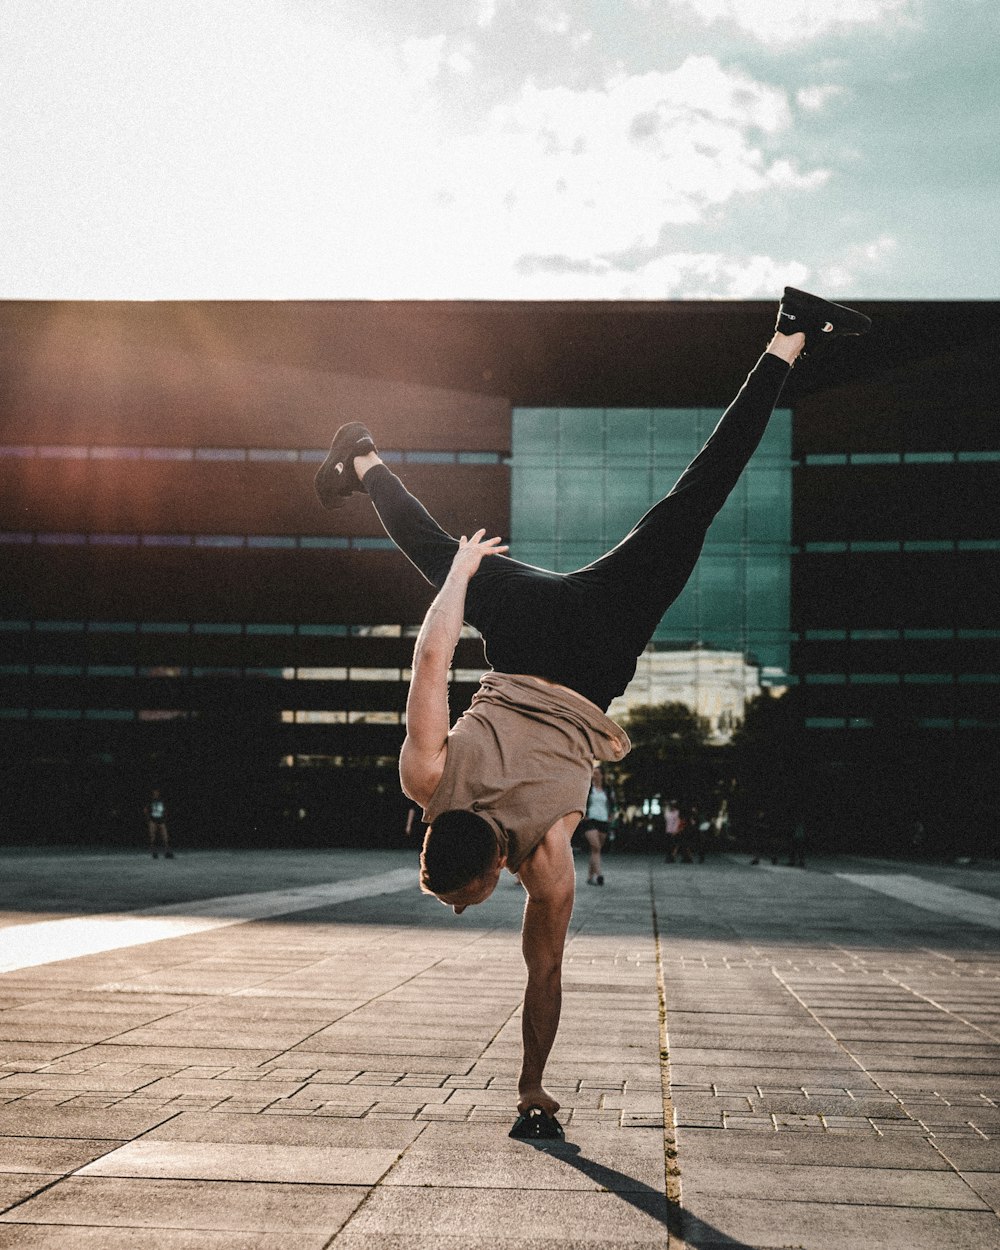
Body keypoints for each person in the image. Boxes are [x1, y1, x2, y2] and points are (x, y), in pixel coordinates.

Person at [313, 287, 870, 1135]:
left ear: (490, 871)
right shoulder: (425, 777)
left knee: (697, 503)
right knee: (446, 550)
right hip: (535, 629)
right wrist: (461, 575)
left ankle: (790, 339)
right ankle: (359, 460)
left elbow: (544, 979)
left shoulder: (547, 863)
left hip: (600, 644)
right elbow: (431, 659)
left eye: (462, 900)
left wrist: (533, 1085)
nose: (466, 909)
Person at [578, 765, 615, 886]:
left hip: (603, 821)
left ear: (602, 775)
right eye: (593, 773)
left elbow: (612, 803)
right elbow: (580, 801)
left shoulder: (608, 789)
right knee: (596, 847)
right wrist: (584, 814)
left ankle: (590, 877)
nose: (595, 775)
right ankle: (599, 875)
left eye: (597, 773)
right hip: (590, 820)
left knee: (596, 850)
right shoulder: (588, 788)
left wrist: (611, 815)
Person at [145, 788, 173, 860]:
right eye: (154, 792)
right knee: (152, 837)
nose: (156, 793)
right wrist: (149, 819)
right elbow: (145, 810)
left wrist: (165, 818)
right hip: (153, 820)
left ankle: (167, 852)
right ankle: (154, 853)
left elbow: (166, 809)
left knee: (165, 837)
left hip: (161, 820)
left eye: (157, 792)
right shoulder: (150, 801)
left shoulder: (162, 800)